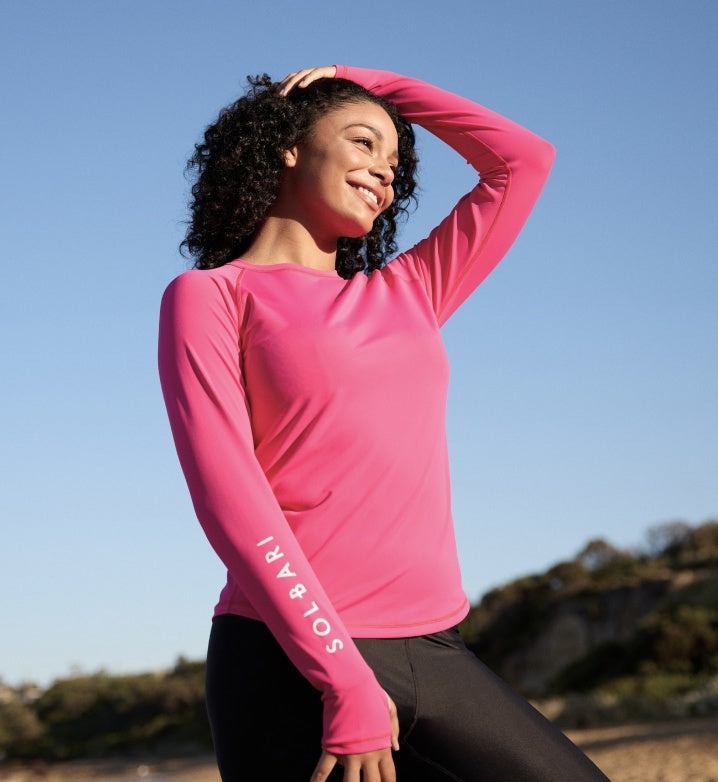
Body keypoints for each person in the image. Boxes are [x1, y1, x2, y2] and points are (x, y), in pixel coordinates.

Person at [158, 65, 609, 782]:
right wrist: (340, 675)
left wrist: (372, 84)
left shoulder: (412, 290)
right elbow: (228, 494)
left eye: (396, 162)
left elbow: (523, 160)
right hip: (286, 656)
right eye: (363, 144)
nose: (384, 173)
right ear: (289, 146)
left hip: (433, 648)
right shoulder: (212, 296)